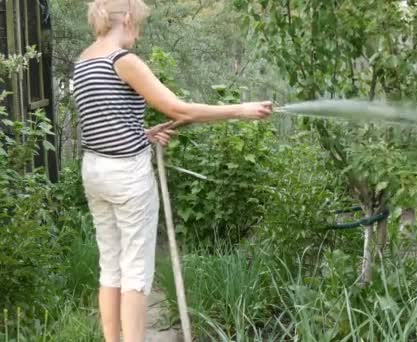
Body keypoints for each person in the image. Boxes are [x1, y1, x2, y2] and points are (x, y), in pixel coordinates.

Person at [74, 1, 272, 341]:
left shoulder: (84, 60)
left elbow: (102, 121)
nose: (141, 31)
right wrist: (240, 109)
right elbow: (176, 107)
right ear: (130, 18)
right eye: (141, 23)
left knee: (111, 267)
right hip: (126, 176)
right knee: (135, 272)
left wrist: (143, 133)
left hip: (95, 171)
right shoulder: (123, 60)